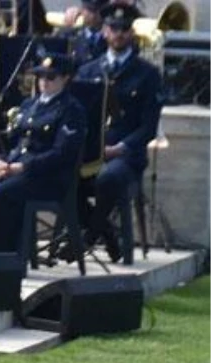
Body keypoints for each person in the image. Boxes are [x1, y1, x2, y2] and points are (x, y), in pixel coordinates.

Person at [75, 2, 161, 262]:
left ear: (131, 33)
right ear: (104, 31)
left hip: (126, 156)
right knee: (63, 179)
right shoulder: (88, 70)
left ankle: (90, 237)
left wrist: (119, 148)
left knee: (108, 178)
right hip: (91, 153)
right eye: (113, 28)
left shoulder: (147, 74)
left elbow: (148, 127)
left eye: (124, 28)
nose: (119, 33)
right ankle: (107, 233)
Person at [0, 53, 86, 256]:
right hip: (16, 168)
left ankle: (4, 256)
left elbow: (61, 153)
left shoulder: (71, 109)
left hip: (46, 177)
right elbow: (12, 141)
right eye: (40, 77)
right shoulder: (28, 105)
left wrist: (24, 167)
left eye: (51, 77)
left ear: (65, 79)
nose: (44, 82)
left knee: (0, 195)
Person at [67, 0, 109, 65]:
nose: (93, 16)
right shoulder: (70, 35)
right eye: (89, 11)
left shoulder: (114, 39)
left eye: (98, 11)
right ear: (82, 10)